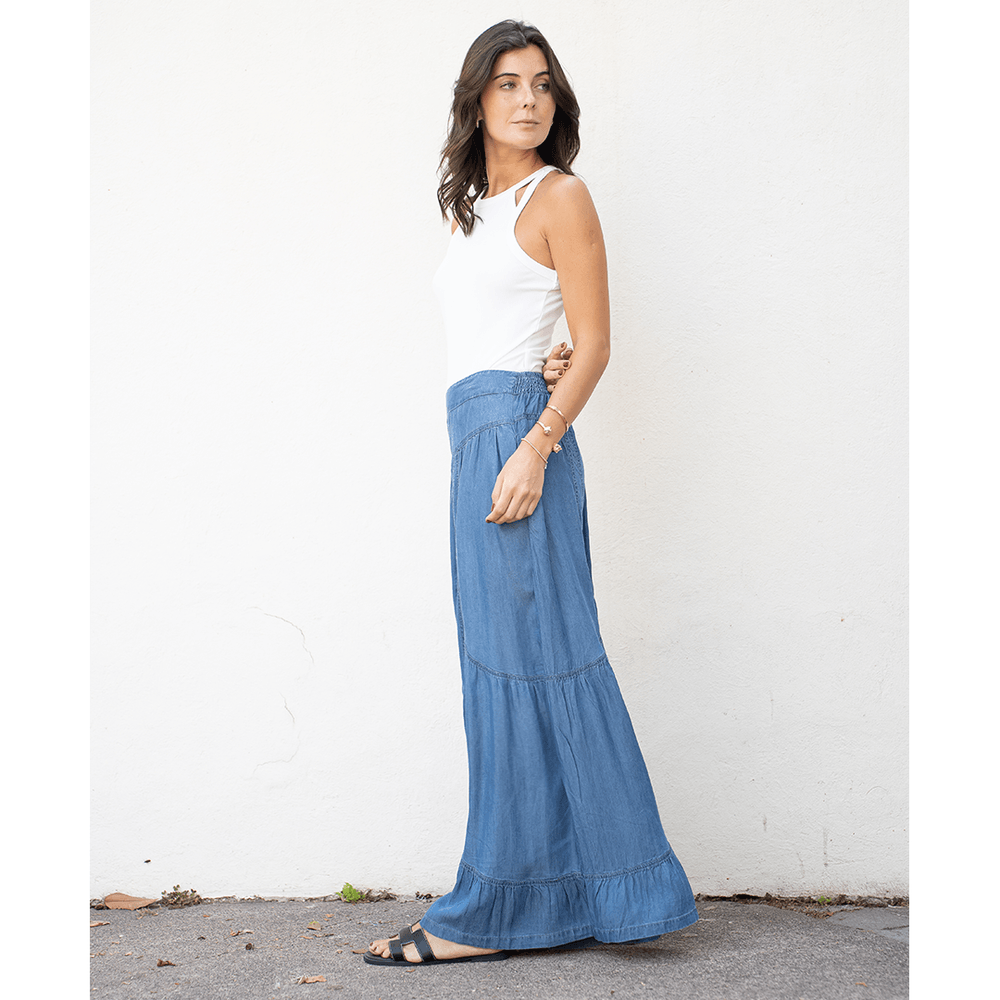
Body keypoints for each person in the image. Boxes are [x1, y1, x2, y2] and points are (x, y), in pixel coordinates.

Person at [365, 20, 698, 967]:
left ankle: (498, 913)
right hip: (476, 439)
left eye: (543, 83)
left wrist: (536, 443)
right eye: (508, 82)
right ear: (477, 100)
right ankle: (556, 898)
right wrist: (520, 404)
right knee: (501, 671)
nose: (527, 99)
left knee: (545, 664)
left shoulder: (562, 196)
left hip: (520, 443)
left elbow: (592, 344)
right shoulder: (471, 212)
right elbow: (514, 331)